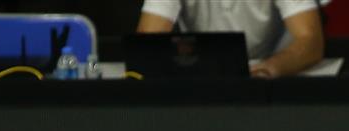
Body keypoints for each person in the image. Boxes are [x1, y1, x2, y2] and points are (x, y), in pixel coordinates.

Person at [135, 0, 326, 78]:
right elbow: (147, 45)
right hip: (200, 82)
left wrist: (267, 70)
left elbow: (310, 41)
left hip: (273, 85)